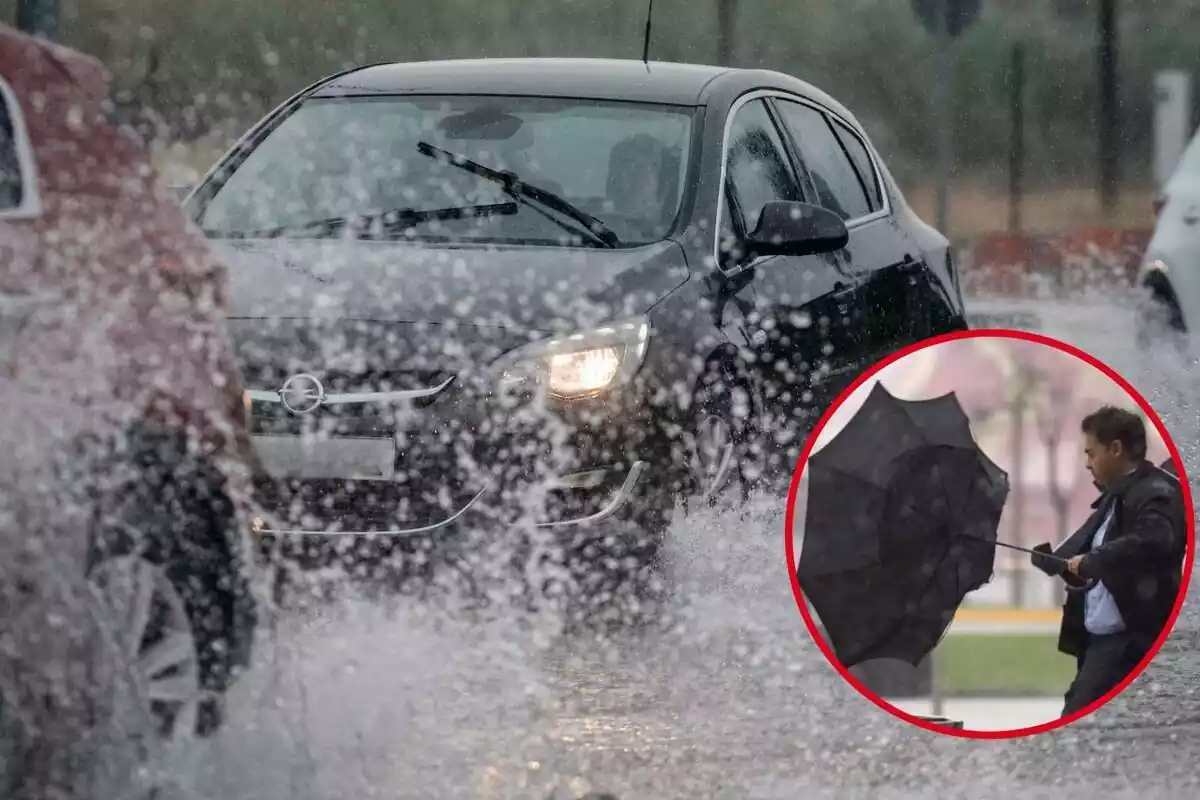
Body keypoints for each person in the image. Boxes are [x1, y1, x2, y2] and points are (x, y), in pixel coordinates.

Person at [1031, 405, 1186, 717]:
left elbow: (1154, 540)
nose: (1087, 465)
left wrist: (1093, 561)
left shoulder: (1155, 492)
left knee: (1078, 723)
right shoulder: (1119, 495)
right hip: (1102, 645)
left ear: (1115, 449)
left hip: (1128, 643)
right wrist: (1056, 561)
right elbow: (1093, 551)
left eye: (1091, 454)